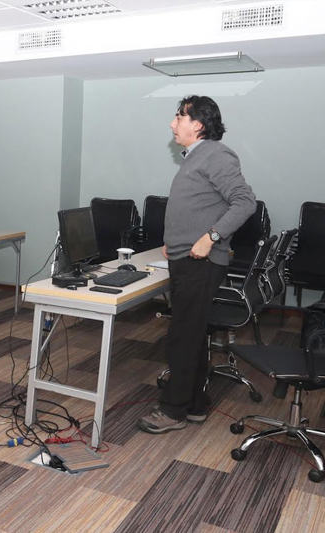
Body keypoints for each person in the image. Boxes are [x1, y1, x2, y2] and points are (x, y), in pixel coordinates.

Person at [138, 95, 256, 434]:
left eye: (179, 117)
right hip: (185, 257)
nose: (172, 124)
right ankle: (195, 405)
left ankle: (173, 411)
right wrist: (174, 239)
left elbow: (244, 201)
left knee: (182, 336)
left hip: (200, 262)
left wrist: (210, 237)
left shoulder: (215, 154)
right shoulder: (195, 158)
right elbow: (198, 206)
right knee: (192, 334)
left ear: (198, 125)